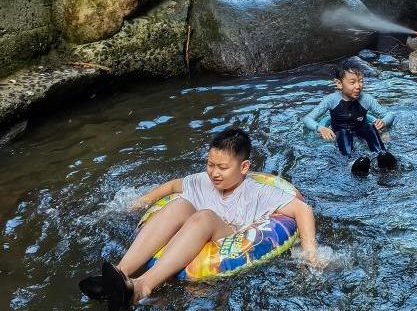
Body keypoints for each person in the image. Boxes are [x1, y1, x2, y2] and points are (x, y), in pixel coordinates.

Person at [78, 128, 320, 311]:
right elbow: (173, 185)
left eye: (222, 167)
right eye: (210, 164)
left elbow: (302, 210)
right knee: (180, 204)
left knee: (203, 216)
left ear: (244, 167)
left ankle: (142, 287)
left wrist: (310, 253)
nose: (214, 173)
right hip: (197, 229)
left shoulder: (258, 191)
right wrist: (138, 203)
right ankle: (120, 274)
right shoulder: (203, 181)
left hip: (229, 236)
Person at [303, 59, 397, 176]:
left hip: (361, 129)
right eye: (352, 83)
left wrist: (383, 121)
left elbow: (390, 115)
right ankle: (350, 162)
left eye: (360, 81)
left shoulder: (366, 99)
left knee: (370, 127)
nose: (358, 86)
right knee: (343, 133)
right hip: (341, 132)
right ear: (339, 84)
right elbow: (307, 119)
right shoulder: (331, 100)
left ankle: (382, 156)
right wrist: (320, 128)